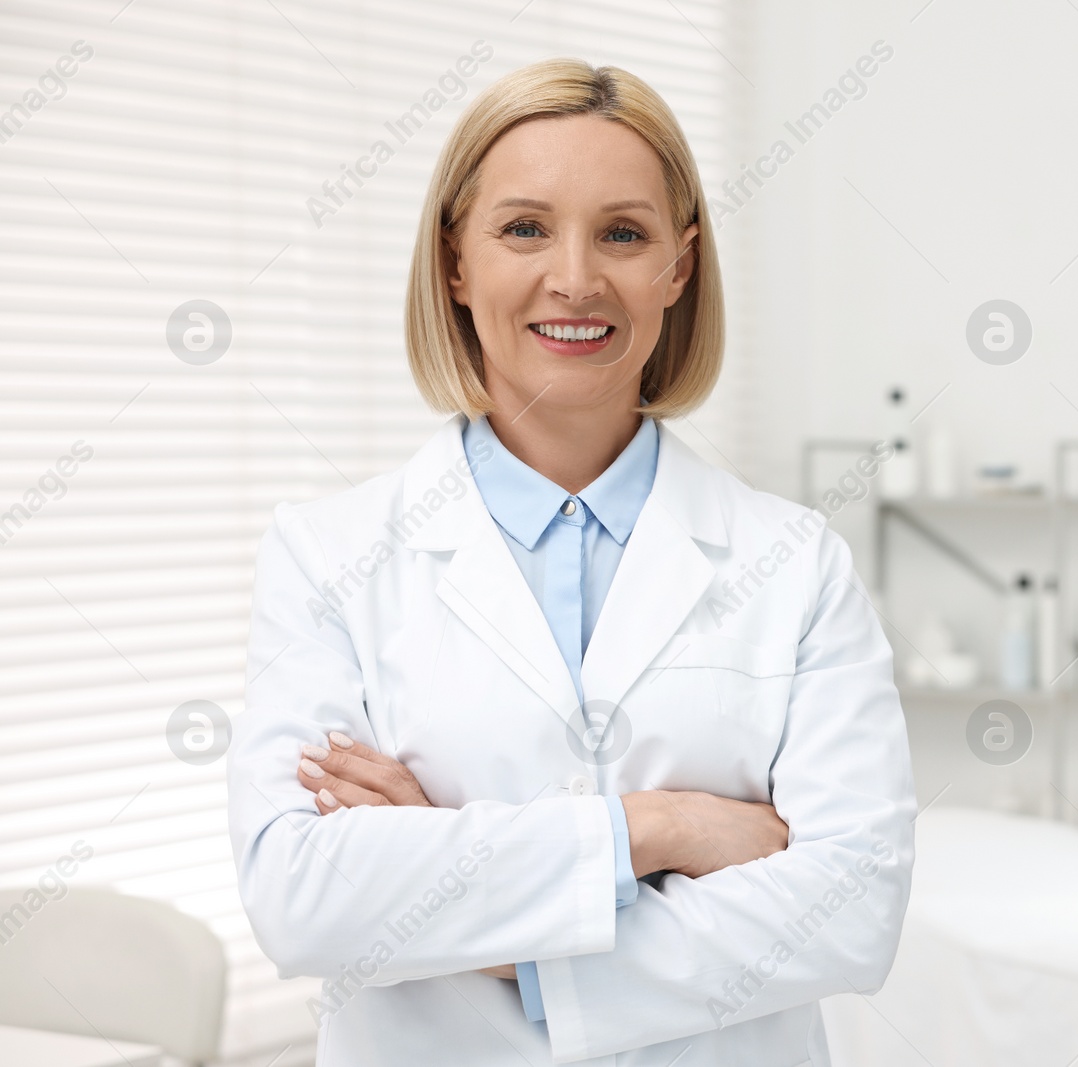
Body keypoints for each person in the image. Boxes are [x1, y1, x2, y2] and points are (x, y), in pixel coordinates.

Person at [226, 57, 916, 1066]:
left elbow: (854, 907)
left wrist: (487, 922)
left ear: (677, 268)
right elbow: (303, 896)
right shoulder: (328, 555)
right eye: (524, 227)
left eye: (623, 234)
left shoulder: (793, 563)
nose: (576, 278)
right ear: (455, 260)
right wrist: (661, 824)